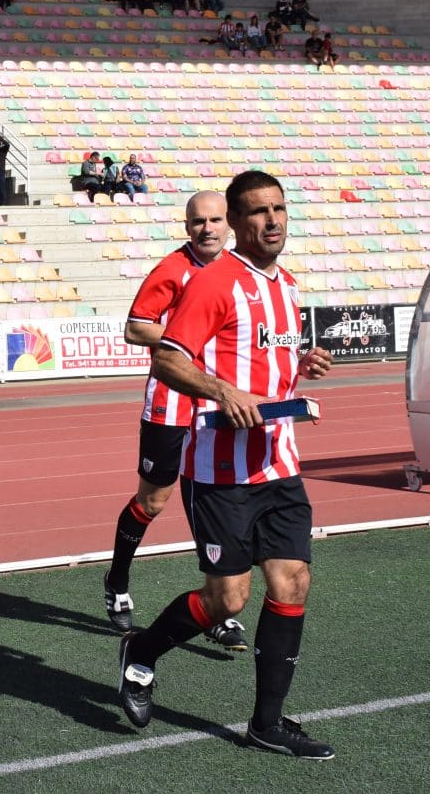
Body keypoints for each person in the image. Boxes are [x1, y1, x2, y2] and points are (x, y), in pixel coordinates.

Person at [117, 170, 336, 760]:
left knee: (293, 581)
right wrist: (220, 391)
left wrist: (301, 365)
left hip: (280, 464)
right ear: (238, 224)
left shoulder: (286, 286)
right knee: (227, 600)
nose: (273, 221)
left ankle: (267, 723)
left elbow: (269, 365)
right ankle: (141, 650)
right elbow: (166, 359)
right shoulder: (215, 283)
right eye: (259, 212)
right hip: (219, 473)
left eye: (280, 209)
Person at [104, 191, 249, 648]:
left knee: (214, 500)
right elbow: (134, 327)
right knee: (153, 502)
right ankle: (117, 580)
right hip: (170, 401)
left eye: (215, 220)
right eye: (197, 222)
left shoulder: (240, 273)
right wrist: (191, 330)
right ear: (187, 227)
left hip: (216, 401)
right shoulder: (172, 269)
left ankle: (218, 602)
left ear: (230, 224)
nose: (206, 229)